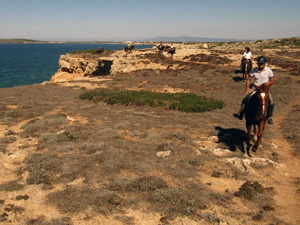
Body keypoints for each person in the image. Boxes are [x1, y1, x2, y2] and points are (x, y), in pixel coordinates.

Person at [233, 56, 275, 124]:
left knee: (271, 101)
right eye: (259, 63)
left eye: (261, 63)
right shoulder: (254, 71)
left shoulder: (268, 71)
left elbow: (272, 81)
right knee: (245, 98)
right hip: (255, 88)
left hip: (264, 90)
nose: (260, 65)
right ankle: (241, 113)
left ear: (264, 63)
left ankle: (270, 116)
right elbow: (248, 80)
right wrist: (247, 89)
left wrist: (268, 84)